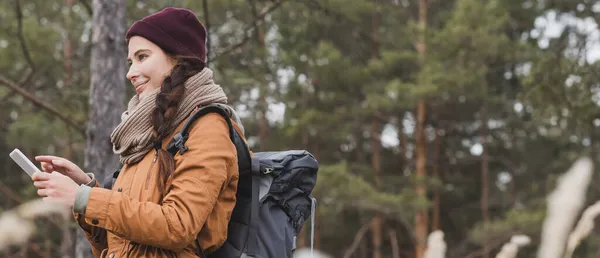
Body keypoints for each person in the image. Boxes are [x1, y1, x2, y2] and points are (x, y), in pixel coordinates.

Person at [31, 7, 246, 258]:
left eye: (142, 57)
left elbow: (178, 225)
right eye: (131, 61)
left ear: (179, 59)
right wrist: (85, 187)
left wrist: (86, 198)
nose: (130, 73)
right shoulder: (149, 134)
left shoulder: (208, 127)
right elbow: (120, 244)